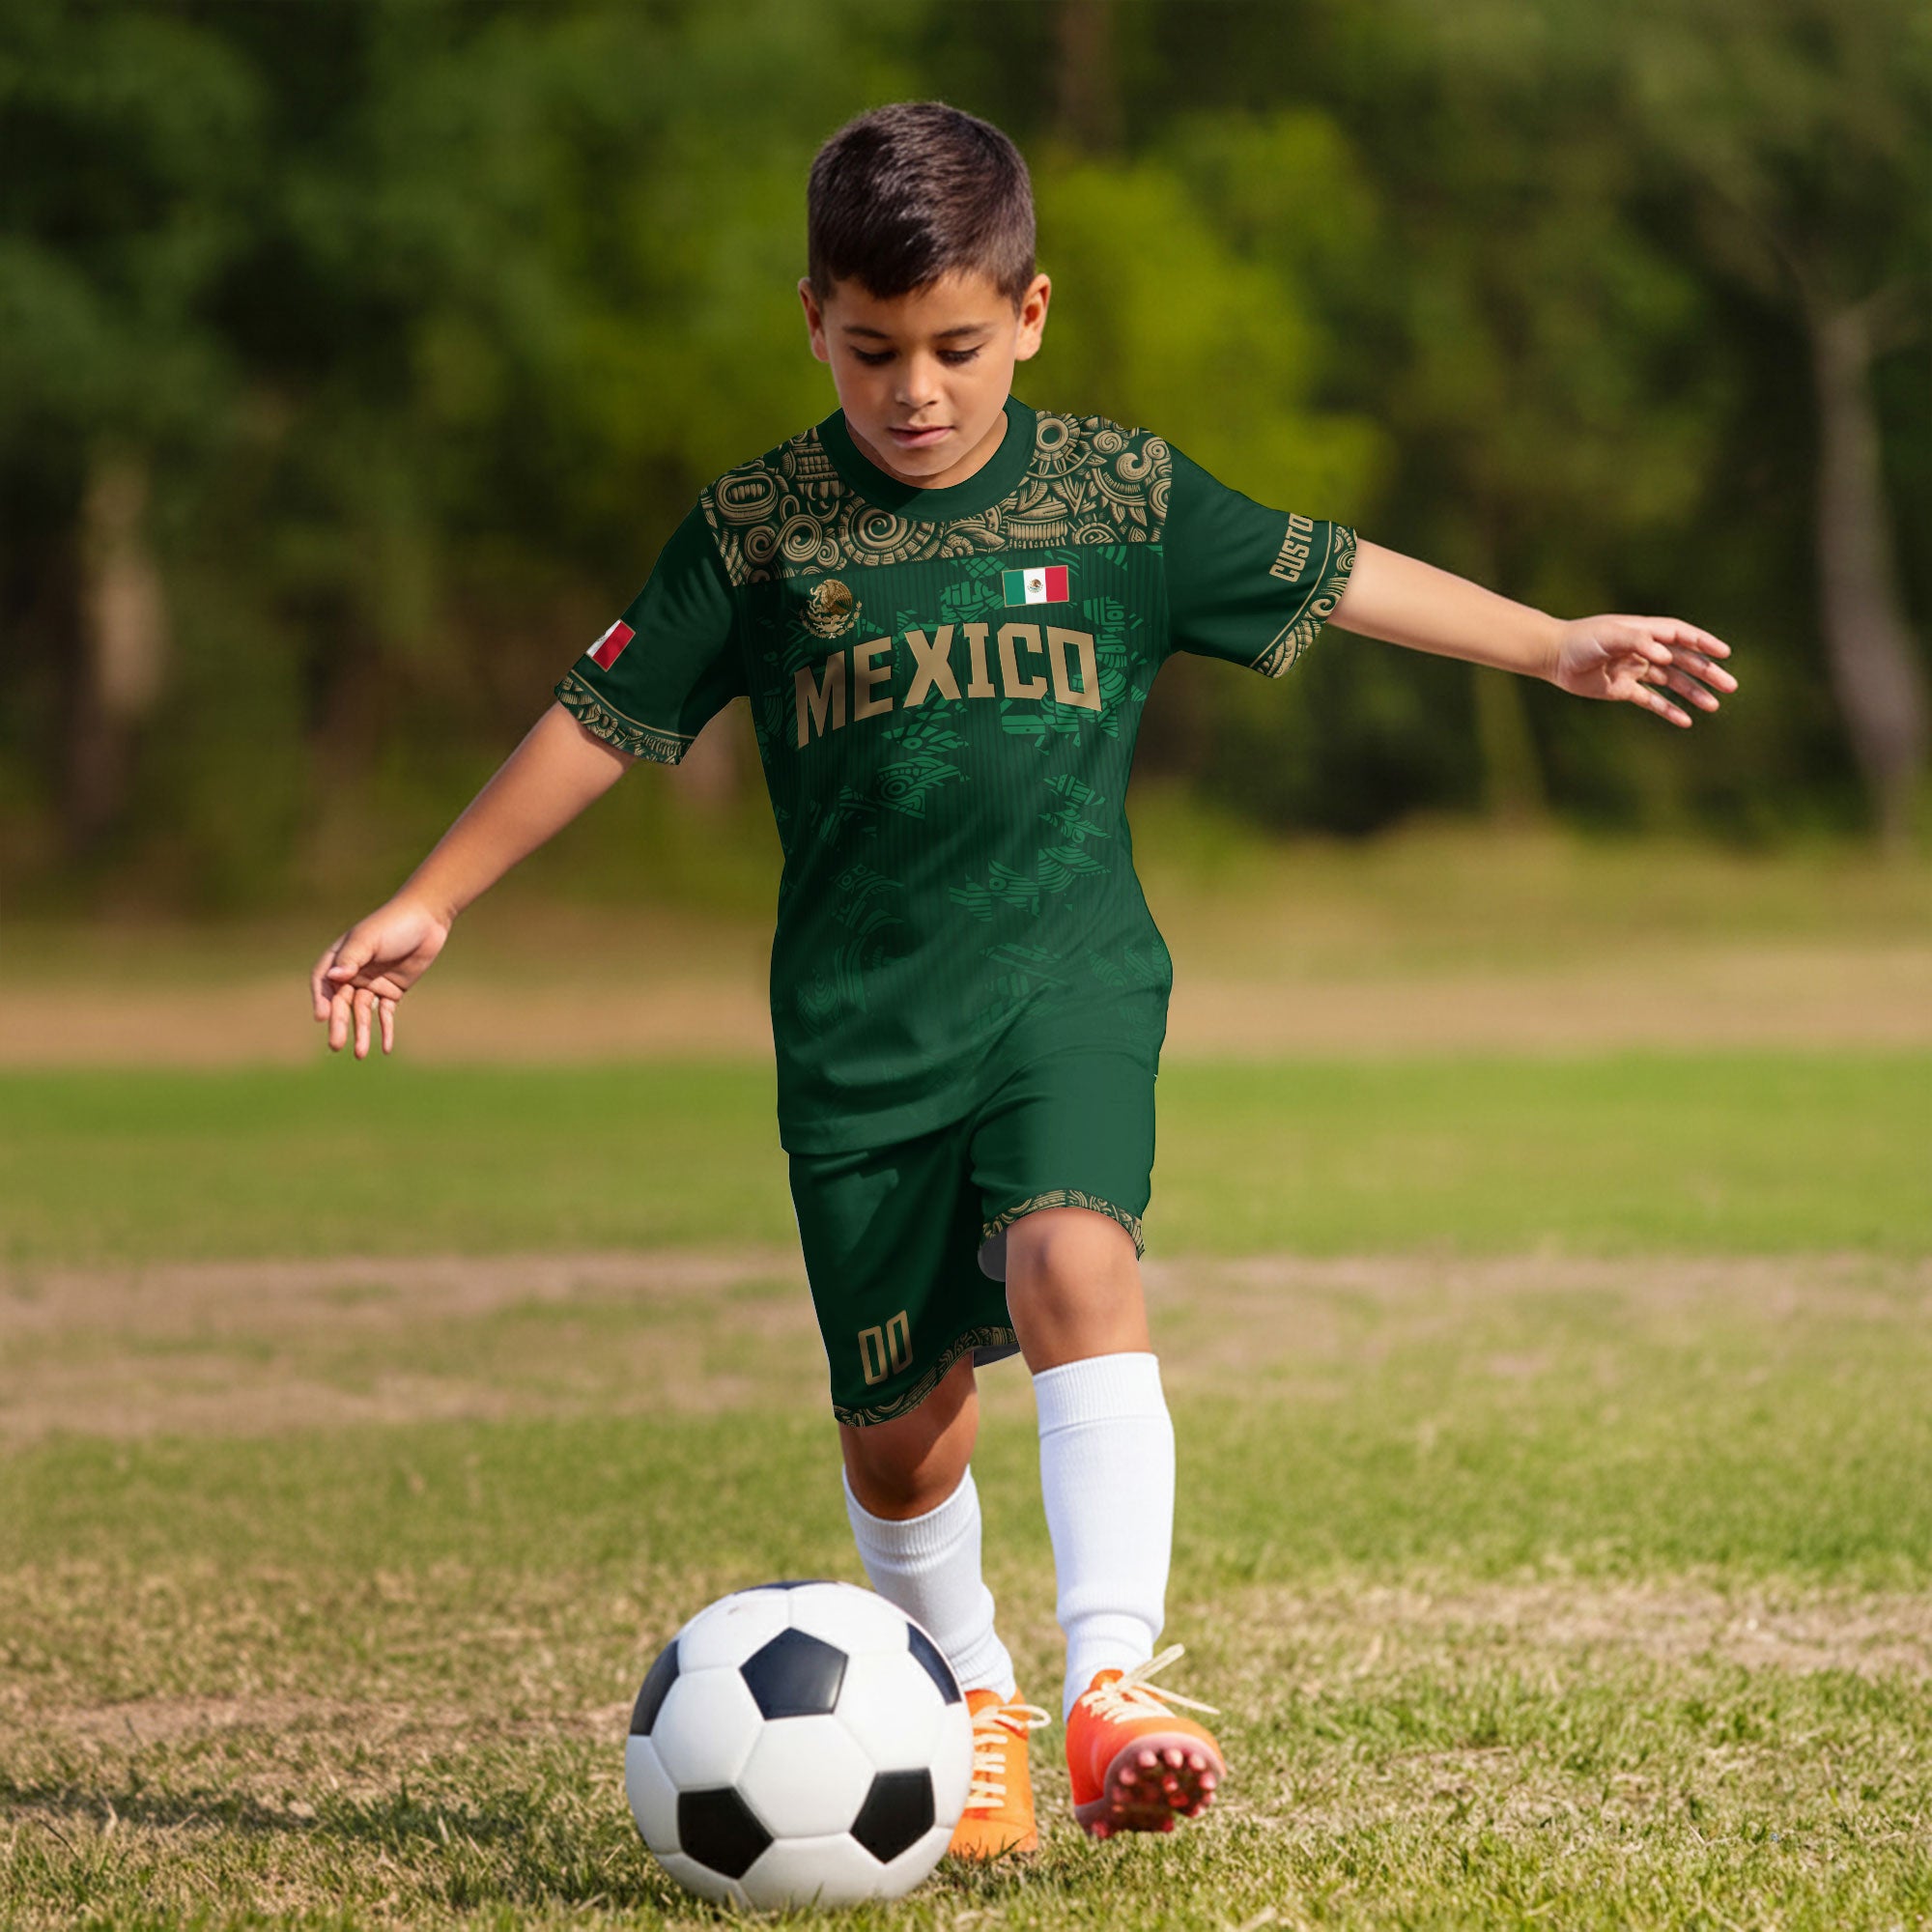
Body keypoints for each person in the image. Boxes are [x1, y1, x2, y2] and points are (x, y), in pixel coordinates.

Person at [310, 100, 1736, 1859]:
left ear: (1031, 317)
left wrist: (1555, 643)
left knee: (1078, 1255)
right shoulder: (758, 529)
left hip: (1067, 982)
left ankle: (1110, 1686)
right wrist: (432, 895)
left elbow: (1336, 570)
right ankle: (971, 1690)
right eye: (874, 350)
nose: (918, 390)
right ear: (815, 325)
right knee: (904, 1438)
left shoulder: (1119, 495)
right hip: (856, 1037)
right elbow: (604, 717)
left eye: (959, 349)